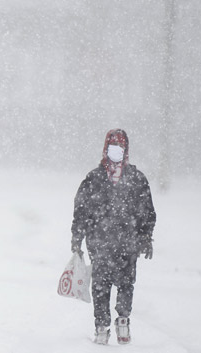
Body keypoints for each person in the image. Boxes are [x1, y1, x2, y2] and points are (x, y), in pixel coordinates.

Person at [70, 129, 156, 345]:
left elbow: (147, 211)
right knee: (101, 284)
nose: (115, 152)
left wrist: (146, 236)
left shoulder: (137, 179)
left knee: (126, 283)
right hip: (100, 243)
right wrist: (77, 236)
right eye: (111, 148)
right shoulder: (94, 178)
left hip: (128, 243)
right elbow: (81, 209)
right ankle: (101, 325)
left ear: (126, 150)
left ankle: (123, 319)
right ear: (105, 149)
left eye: (119, 148)